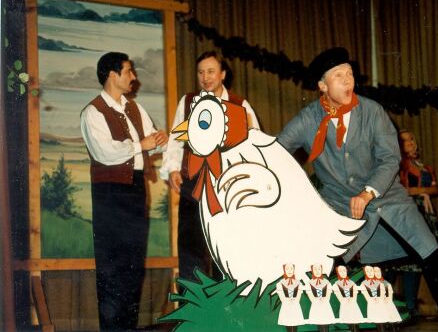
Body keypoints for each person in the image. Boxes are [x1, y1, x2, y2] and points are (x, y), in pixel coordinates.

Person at [277, 47, 438, 330]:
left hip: (386, 198)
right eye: (338, 75)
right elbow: (277, 151)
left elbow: (390, 158)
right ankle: (314, 321)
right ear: (322, 86)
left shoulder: (372, 111)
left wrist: (368, 191)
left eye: (350, 74)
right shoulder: (307, 119)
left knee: (430, 252)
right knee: (324, 264)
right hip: (340, 205)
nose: (347, 80)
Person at [80, 52, 168, 331]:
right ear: (112, 75)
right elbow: (105, 152)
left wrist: (160, 139)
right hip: (110, 195)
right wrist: (143, 144)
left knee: (132, 266)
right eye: (129, 71)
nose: (134, 77)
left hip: (135, 190)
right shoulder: (92, 112)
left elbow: (150, 141)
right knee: (112, 268)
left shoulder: (134, 108)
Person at [160, 51, 260, 281]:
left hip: (226, 186)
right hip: (192, 183)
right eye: (201, 72)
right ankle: (194, 310)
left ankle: (228, 308)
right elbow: (176, 139)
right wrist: (173, 168)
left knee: (226, 249)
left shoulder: (239, 105)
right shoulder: (187, 102)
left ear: (223, 74)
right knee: (190, 247)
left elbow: (255, 144)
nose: (205, 77)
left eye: (211, 71)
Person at [383, 129, 438, 321]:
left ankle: (411, 308)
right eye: (404, 141)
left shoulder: (423, 166)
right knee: (396, 261)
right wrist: (420, 190)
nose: (410, 143)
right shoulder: (398, 165)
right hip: (405, 212)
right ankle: (385, 307)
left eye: (411, 139)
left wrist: (420, 190)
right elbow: (401, 190)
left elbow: (435, 189)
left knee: (420, 261)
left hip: (424, 212)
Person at [332, 265, 365, 331]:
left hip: (353, 304)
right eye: (340, 271)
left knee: (355, 321)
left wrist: (352, 299)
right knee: (348, 320)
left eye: (344, 270)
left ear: (347, 271)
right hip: (344, 304)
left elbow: (355, 291)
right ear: (338, 272)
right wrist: (343, 300)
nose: (342, 272)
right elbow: (337, 293)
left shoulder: (351, 282)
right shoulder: (336, 283)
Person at [275, 264, 305, 332]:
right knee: (288, 324)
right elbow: (281, 297)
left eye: (291, 268)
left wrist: (294, 300)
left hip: (295, 306)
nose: (289, 271)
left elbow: (298, 296)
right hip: (286, 307)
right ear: (284, 270)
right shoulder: (280, 284)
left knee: (294, 325)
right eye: (287, 268)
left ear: (294, 270)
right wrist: (287, 300)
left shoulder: (298, 283)